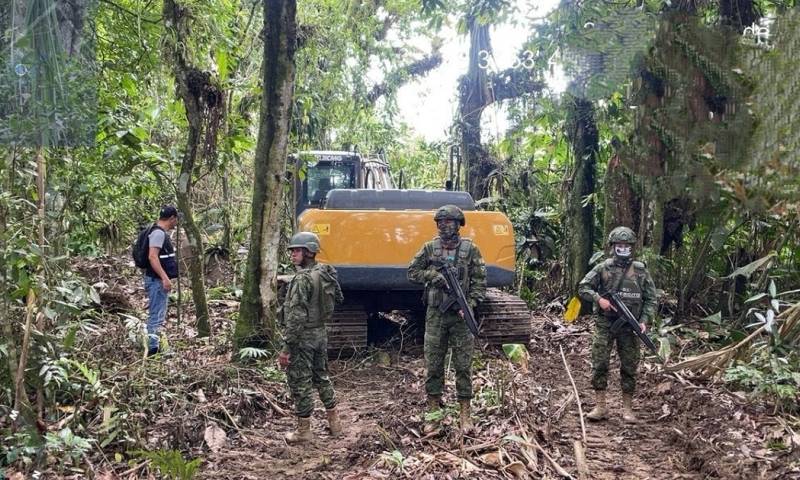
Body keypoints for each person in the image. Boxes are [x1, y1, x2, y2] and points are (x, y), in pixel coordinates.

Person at [407, 205, 486, 430]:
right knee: (433, 363)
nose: (443, 226)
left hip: (461, 317)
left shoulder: (471, 250)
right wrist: (433, 276)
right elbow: (411, 272)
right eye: (440, 222)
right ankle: (433, 410)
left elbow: (480, 283)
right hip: (436, 315)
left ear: (458, 224)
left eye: (449, 221)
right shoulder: (430, 249)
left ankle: (465, 414)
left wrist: (468, 305)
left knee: (463, 364)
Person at [578, 226, 657, 423]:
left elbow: (651, 299)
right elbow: (583, 287)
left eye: (626, 245)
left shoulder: (640, 270)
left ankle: (628, 409)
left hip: (630, 327)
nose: (623, 248)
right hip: (606, 323)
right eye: (619, 245)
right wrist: (599, 299)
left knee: (630, 365)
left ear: (632, 247)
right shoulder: (603, 267)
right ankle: (600, 406)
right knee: (600, 362)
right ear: (613, 246)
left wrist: (644, 321)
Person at [278, 232, 344, 443]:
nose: (293, 255)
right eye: (292, 251)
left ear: (308, 252)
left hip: (304, 337)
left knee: (301, 382)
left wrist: (287, 347)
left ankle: (303, 431)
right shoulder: (325, 272)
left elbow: (296, 316)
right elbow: (339, 297)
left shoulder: (302, 279)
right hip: (320, 334)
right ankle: (335, 424)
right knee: (321, 376)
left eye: (297, 251)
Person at [144, 205, 179, 356]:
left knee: (157, 314)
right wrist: (164, 278)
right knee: (156, 315)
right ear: (172, 218)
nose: (176, 223)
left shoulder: (156, 231)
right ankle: (153, 349)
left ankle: (155, 346)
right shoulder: (158, 233)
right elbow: (152, 256)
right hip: (157, 281)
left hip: (155, 279)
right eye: (176, 220)